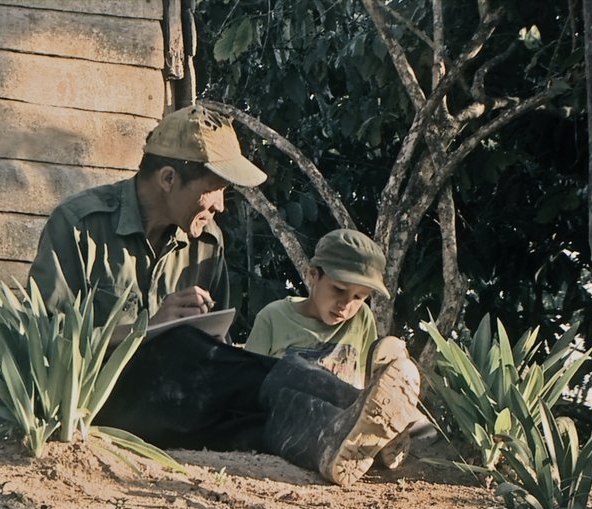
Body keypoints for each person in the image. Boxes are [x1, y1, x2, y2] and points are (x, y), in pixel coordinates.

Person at [27, 104, 420, 486]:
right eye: (214, 190)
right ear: (168, 178)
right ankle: (356, 411)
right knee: (182, 345)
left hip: (182, 402)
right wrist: (146, 328)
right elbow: (43, 344)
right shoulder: (80, 225)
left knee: (246, 413)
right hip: (101, 401)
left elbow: (221, 354)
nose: (220, 205)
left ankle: (341, 435)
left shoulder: (207, 242)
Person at [246, 229, 425, 472]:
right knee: (289, 372)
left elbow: (361, 383)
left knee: (382, 405)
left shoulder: (361, 318)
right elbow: (251, 387)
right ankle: (363, 439)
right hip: (291, 422)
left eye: (359, 297)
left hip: (345, 416)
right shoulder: (273, 317)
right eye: (339, 290)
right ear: (313, 275)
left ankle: (378, 433)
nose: (346, 305)